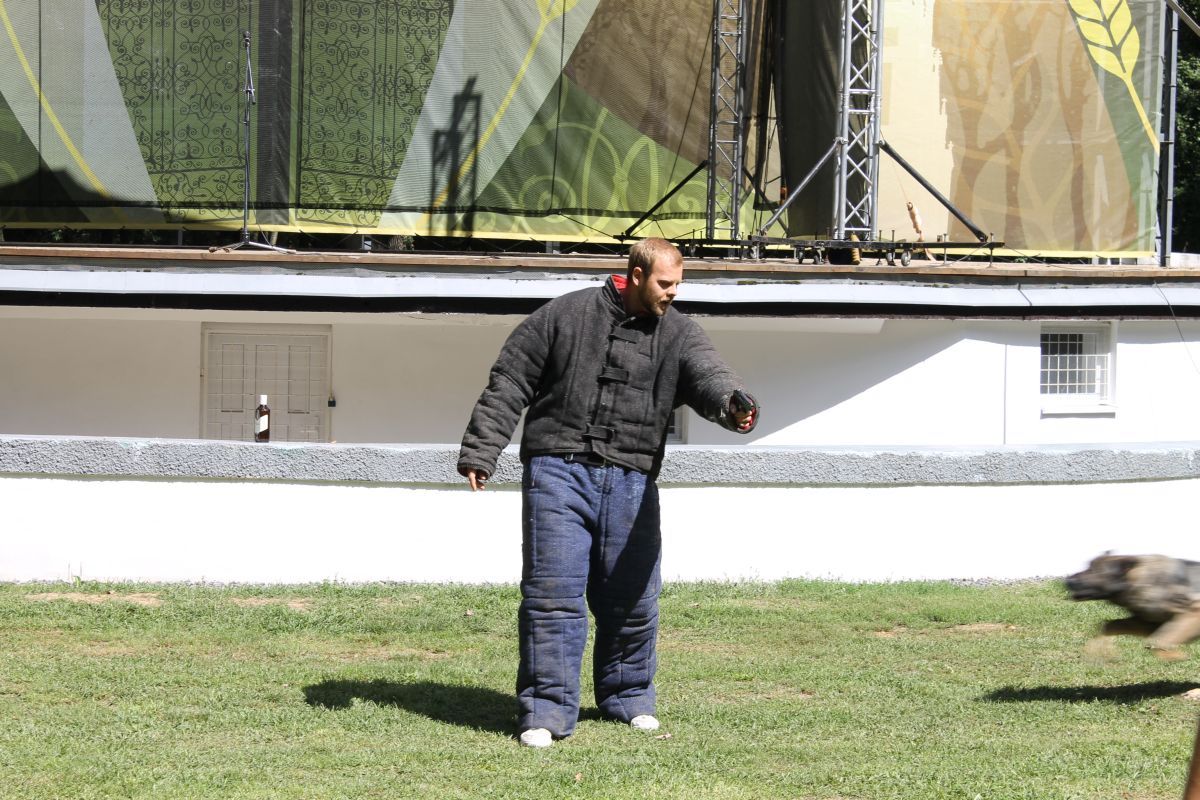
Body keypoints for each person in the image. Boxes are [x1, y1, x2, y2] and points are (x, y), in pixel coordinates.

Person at [457, 237, 758, 748]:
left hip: (633, 480)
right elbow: (510, 380)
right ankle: (546, 712)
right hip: (557, 472)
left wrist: (732, 403)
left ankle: (628, 697)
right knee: (552, 597)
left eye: (678, 284)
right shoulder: (564, 315)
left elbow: (709, 375)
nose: (673, 293)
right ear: (637, 275)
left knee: (634, 599)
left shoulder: (680, 333)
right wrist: (481, 450)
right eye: (666, 284)